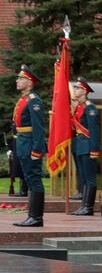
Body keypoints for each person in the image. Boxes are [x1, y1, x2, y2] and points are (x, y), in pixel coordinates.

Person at [12, 66, 47, 227]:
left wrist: (37, 150)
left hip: (30, 143)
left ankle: (36, 217)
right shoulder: (24, 99)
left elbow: (38, 128)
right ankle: (32, 216)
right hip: (22, 141)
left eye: (21, 78)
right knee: (29, 178)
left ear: (30, 82)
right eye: (18, 78)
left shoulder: (34, 100)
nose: (17, 80)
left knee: (34, 179)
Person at [69, 78, 101, 216]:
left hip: (87, 145)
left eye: (77, 88)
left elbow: (94, 130)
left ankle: (88, 207)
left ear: (84, 91)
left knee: (89, 178)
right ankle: (83, 205)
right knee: (83, 175)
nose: (74, 90)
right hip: (79, 144)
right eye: (74, 88)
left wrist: (94, 149)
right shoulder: (79, 106)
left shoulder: (90, 107)